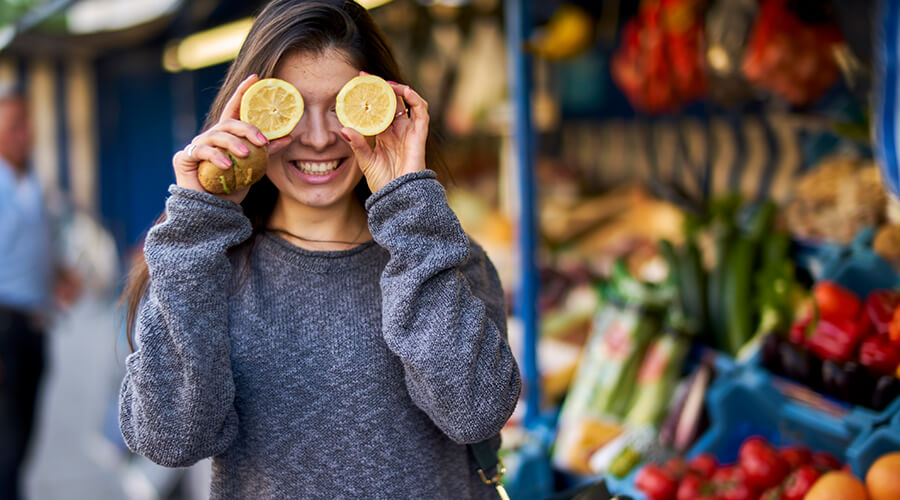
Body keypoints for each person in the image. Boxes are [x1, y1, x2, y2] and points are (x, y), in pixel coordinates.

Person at [118, 1, 521, 498]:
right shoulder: (206, 266)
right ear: (247, 117)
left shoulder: (437, 255)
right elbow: (169, 439)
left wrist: (411, 207)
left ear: (381, 109)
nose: (317, 137)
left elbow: (475, 411)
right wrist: (196, 227)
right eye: (289, 108)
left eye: (340, 106)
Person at [0, 87, 79, 499]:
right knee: (6, 446)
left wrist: (60, 273)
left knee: (22, 440)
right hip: (4, 330)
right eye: (15, 125)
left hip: (34, 328)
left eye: (28, 124)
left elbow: (34, 241)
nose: (25, 134)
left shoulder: (30, 180)